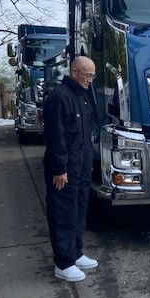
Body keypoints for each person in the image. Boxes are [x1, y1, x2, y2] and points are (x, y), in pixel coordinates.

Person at [43, 56, 98, 282]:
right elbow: (55, 136)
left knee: (78, 210)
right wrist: (59, 168)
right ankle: (63, 263)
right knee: (63, 213)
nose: (90, 80)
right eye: (88, 75)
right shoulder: (60, 97)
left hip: (81, 168)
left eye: (93, 76)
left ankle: (75, 252)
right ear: (74, 72)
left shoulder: (82, 97)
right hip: (64, 170)